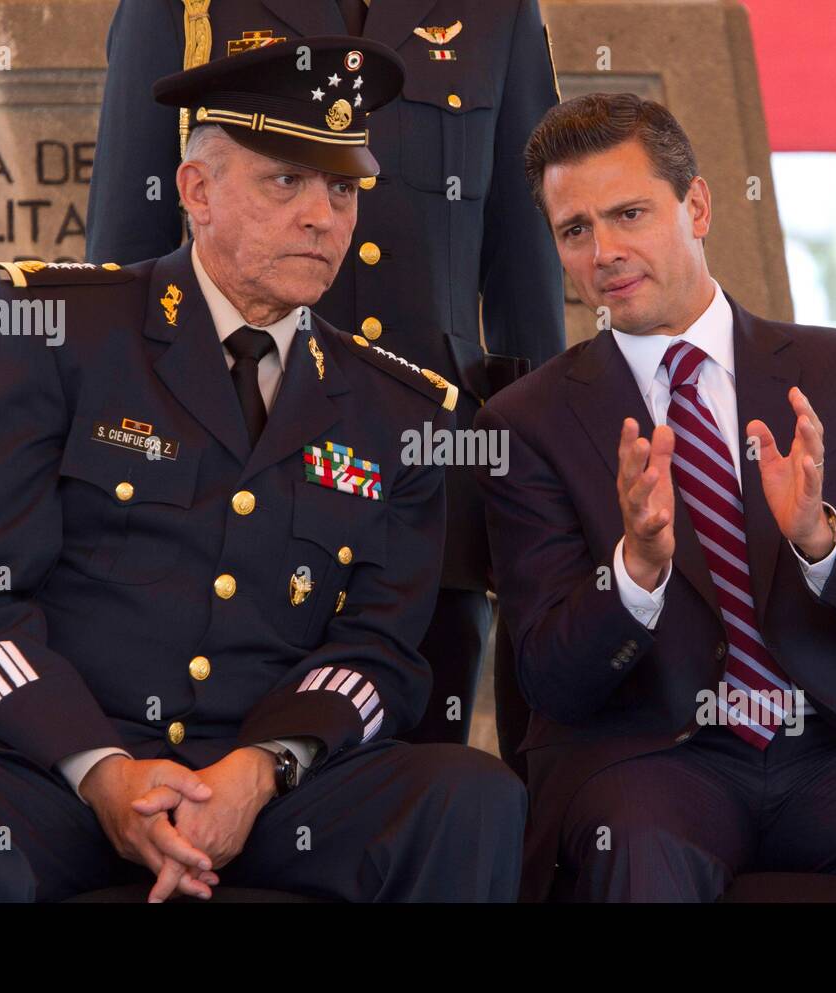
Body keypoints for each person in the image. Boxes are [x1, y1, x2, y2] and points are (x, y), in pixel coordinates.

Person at [0, 37, 525, 903]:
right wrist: (103, 772)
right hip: (51, 770)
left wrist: (259, 771)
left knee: (470, 800)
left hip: (271, 794)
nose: (323, 217)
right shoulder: (49, 331)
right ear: (196, 191)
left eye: (342, 188)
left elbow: (379, 651)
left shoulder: (398, 411)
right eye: (286, 181)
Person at [474, 92, 836, 902]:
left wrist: (824, 538)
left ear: (699, 205)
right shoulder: (525, 422)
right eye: (575, 230)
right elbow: (547, 677)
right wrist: (636, 571)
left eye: (630, 213)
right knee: (642, 859)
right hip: (655, 761)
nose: (604, 250)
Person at [84, 0, 567, 746]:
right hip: (233, 472)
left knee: (417, 786)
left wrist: (546, 486)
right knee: (218, 780)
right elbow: (127, 252)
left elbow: (525, 267)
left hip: (432, 480)